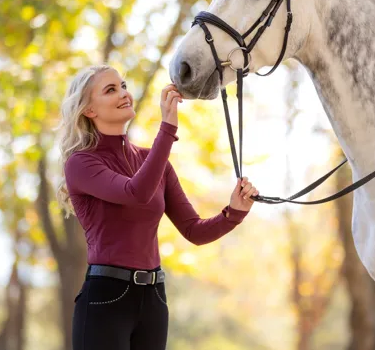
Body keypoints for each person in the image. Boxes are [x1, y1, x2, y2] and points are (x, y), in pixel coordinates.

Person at [56, 65, 258, 350]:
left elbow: (194, 231)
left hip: (154, 299)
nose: (124, 93)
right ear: (89, 109)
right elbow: (135, 192)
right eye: (110, 90)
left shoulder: (153, 161)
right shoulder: (81, 163)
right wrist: (168, 127)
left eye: (123, 85)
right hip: (106, 300)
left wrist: (234, 212)